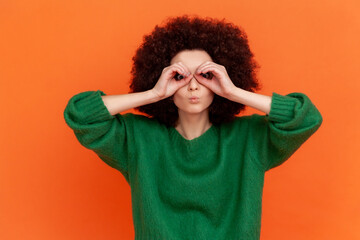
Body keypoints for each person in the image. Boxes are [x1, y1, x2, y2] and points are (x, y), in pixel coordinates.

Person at [63, 14, 323, 240]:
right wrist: (153, 94)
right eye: (179, 76)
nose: (193, 86)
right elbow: (81, 113)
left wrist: (233, 91)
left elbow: (306, 118)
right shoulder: (138, 139)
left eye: (206, 75)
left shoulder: (249, 139)